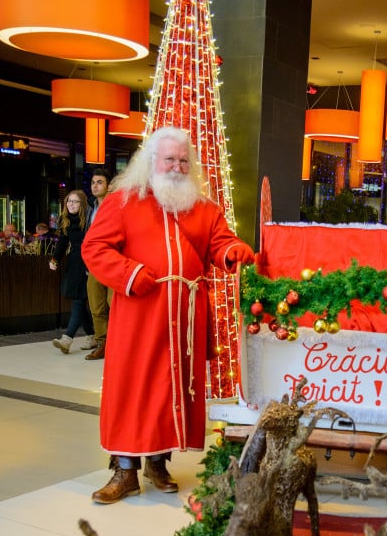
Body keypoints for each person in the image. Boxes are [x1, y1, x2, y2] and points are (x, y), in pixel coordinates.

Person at [82, 125, 255, 504]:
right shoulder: (123, 200)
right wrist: (129, 274)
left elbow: (220, 241)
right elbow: (94, 249)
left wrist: (233, 251)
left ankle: (158, 462)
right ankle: (124, 470)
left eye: (183, 160)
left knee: (171, 389)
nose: (177, 166)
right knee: (133, 389)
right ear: (151, 161)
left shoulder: (204, 207)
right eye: (169, 159)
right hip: (139, 315)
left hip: (185, 318)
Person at [49, 191, 96, 354]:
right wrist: (55, 259)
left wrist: (92, 265)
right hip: (74, 262)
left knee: (78, 300)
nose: (71, 204)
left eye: (75, 202)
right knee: (79, 300)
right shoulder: (66, 220)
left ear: (82, 204)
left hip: (88, 262)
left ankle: (67, 338)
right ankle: (91, 335)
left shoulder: (90, 220)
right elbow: (63, 242)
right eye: (69, 201)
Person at [84, 170, 112, 360]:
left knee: (115, 304)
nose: (95, 186)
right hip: (94, 262)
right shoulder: (91, 208)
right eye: (93, 182)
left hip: (113, 261)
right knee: (96, 306)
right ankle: (102, 344)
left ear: (108, 185)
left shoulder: (116, 205)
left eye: (100, 182)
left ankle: (118, 343)